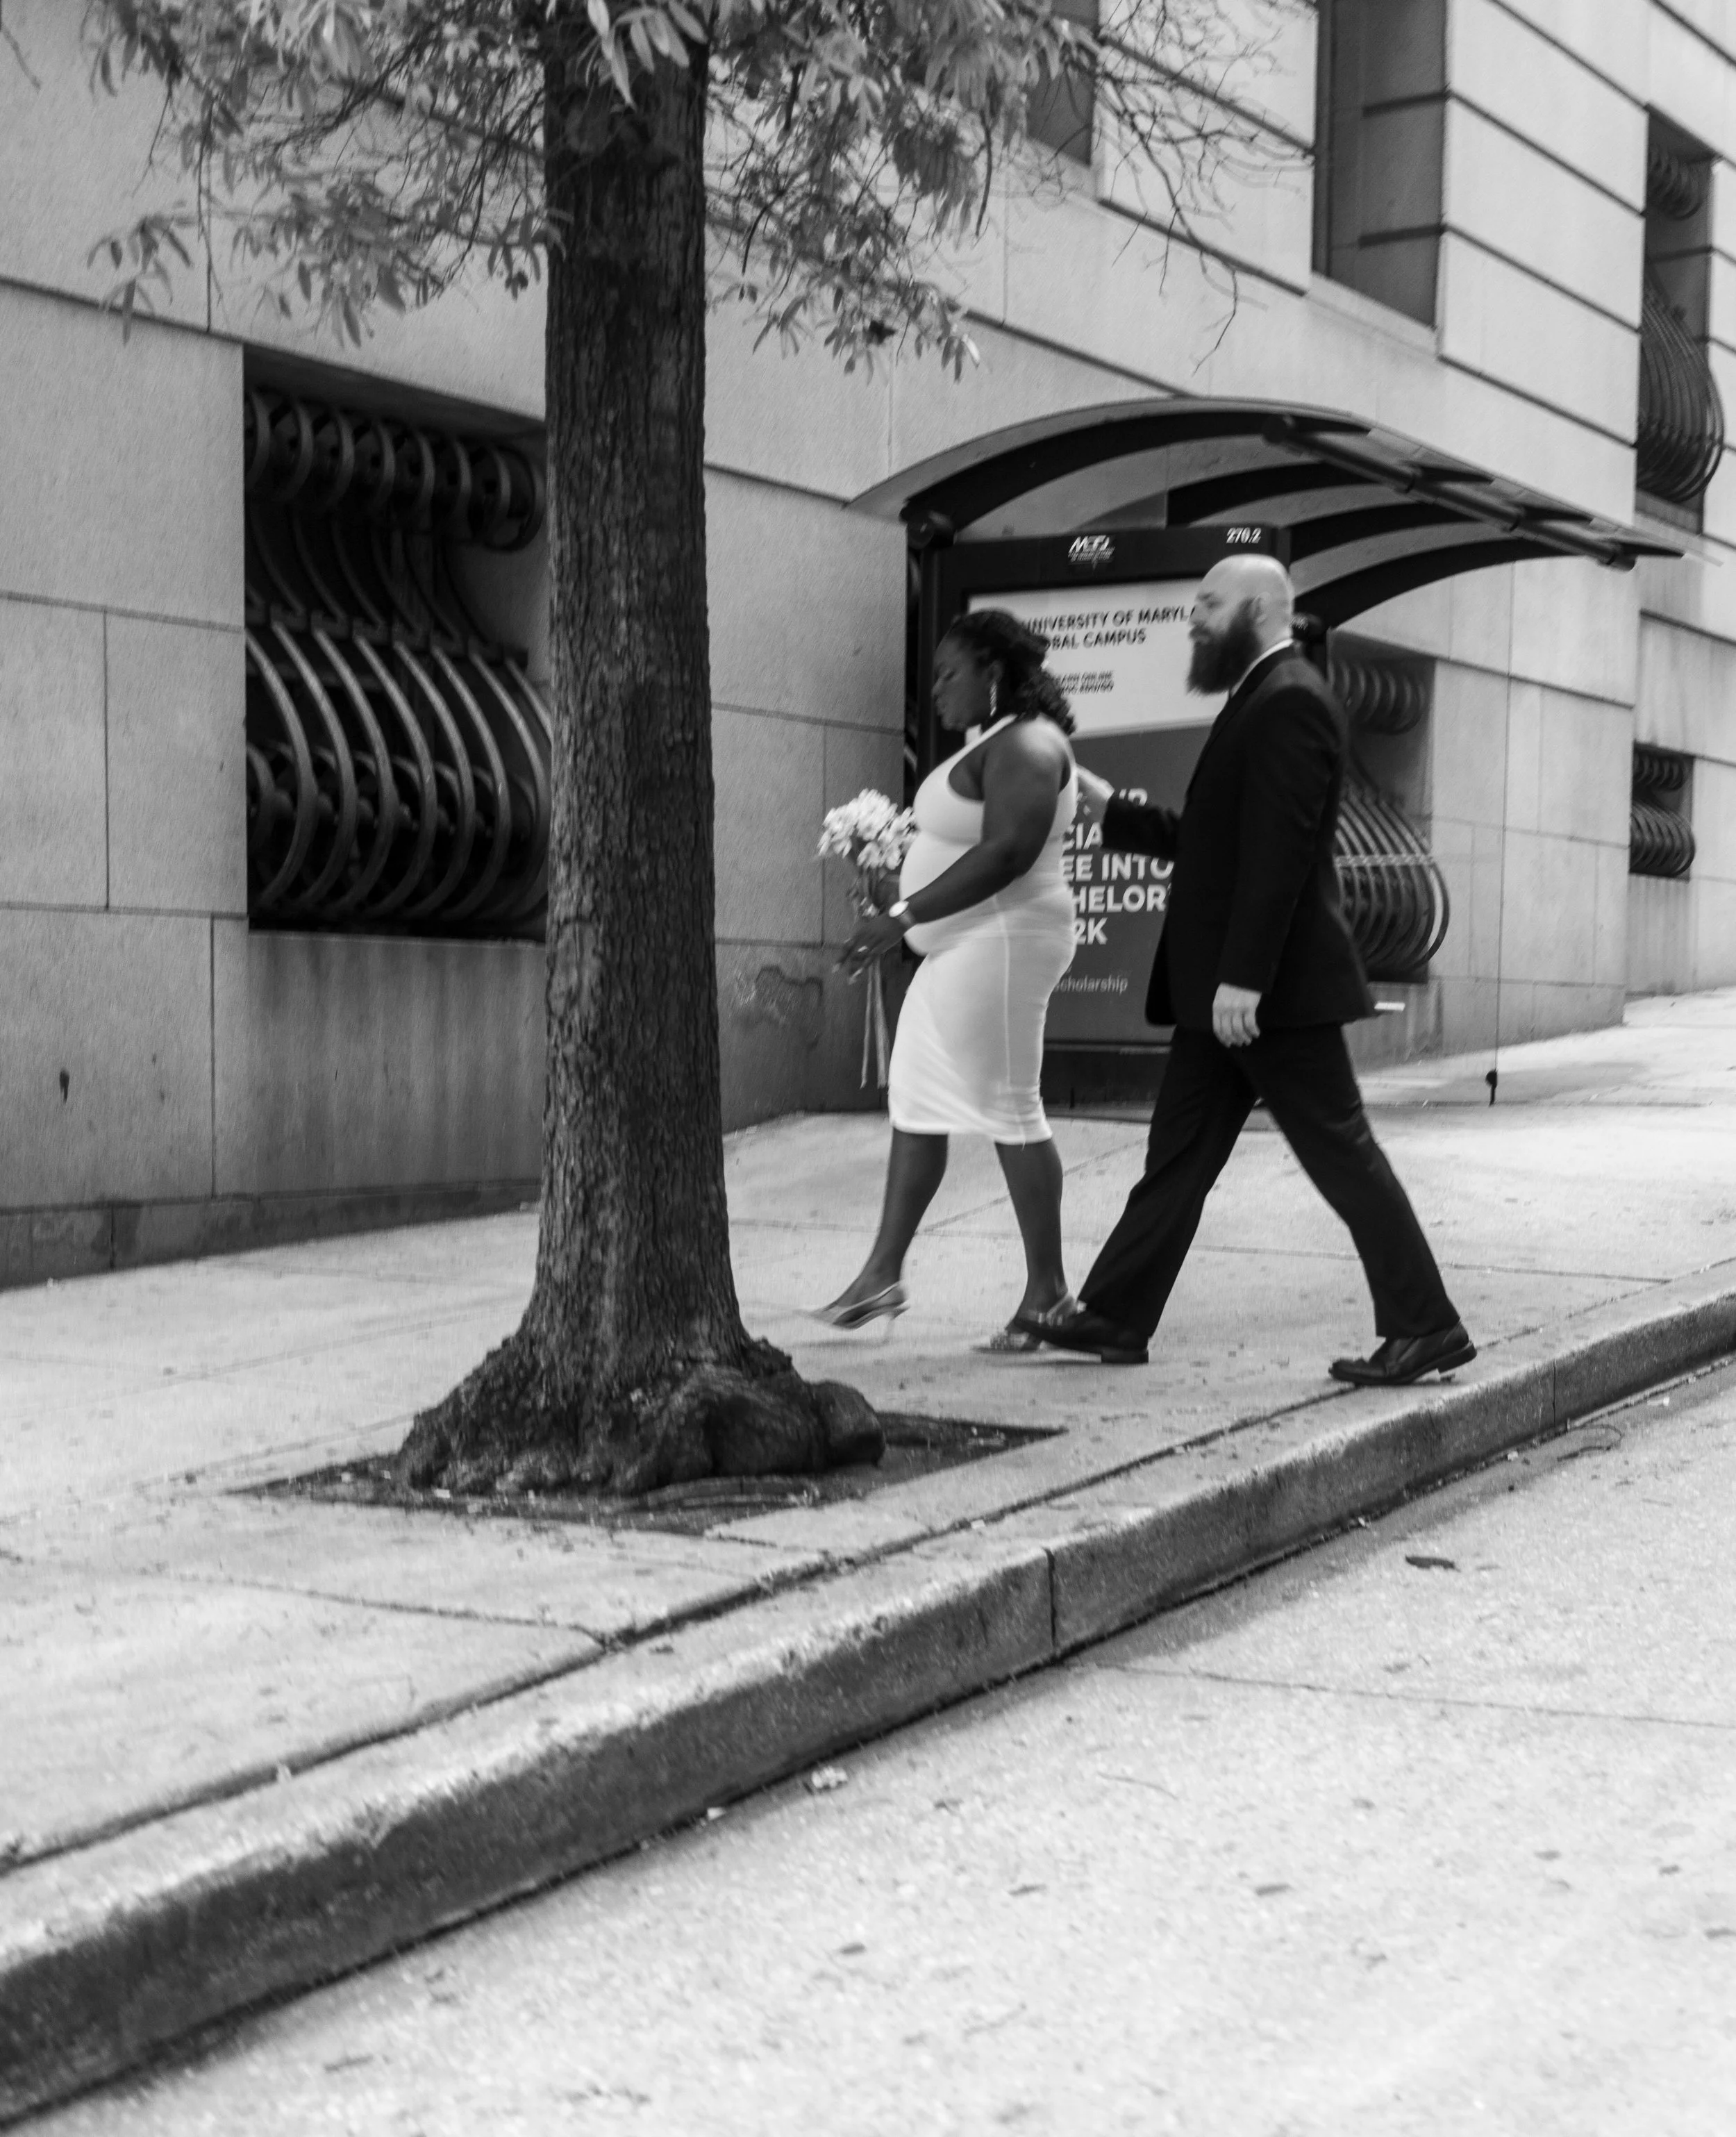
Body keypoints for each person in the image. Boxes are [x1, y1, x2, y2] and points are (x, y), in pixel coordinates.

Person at [1019, 554, 1475, 1386]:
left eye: (1206, 602)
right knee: (1178, 1157)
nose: (1191, 616)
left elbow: (1281, 853)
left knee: (1339, 1150)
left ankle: (1426, 1324)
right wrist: (1112, 807)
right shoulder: (1262, 694)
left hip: (1264, 997)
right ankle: (1115, 1313)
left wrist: (1246, 979)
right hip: (1221, 996)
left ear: (1259, 608)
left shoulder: (1290, 698)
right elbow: (1219, 837)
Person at [816, 609, 1079, 1349]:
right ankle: (881, 1273)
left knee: (1009, 1108)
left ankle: (1049, 1296)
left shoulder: (1026, 742)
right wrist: (892, 889)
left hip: (1002, 942)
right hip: (962, 943)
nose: (934, 690)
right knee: (918, 1097)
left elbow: (1007, 854)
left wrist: (900, 912)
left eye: (947, 674)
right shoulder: (996, 742)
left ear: (992, 674)